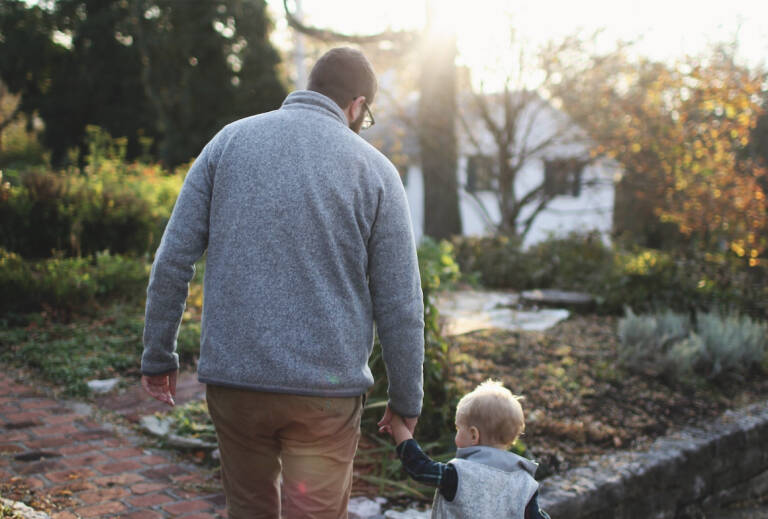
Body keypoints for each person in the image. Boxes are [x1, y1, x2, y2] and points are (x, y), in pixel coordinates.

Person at [140, 47, 425, 519]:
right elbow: (401, 304)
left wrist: (158, 355)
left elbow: (172, 260)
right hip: (324, 397)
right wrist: (405, 400)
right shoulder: (375, 172)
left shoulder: (228, 143)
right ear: (357, 105)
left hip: (236, 385)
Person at [385, 380, 550, 519]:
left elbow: (420, 468)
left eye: (458, 429)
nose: (456, 435)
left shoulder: (460, 474)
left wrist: (399, 427)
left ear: (473, 435)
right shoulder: (525, 484)